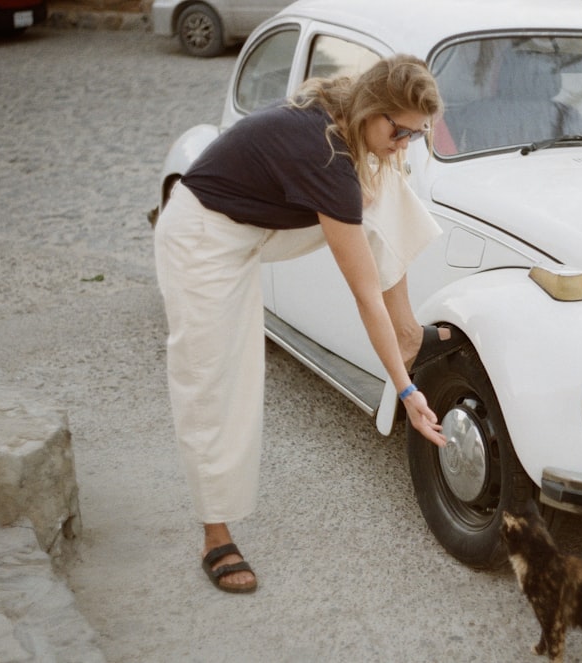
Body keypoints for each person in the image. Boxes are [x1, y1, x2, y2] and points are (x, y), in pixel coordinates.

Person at [153, 54, 462, 594]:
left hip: (258, 226)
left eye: (416, 135)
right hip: (201, 236)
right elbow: (364, 294)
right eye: (398, 129)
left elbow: (379, 192)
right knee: (217, 378)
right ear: (372, 107)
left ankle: (409, 331)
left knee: (386, 181)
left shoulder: (352, 115)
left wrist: (400, 350)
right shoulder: (325, 154)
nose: (403, 142)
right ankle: (216, 533)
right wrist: (406, 388)